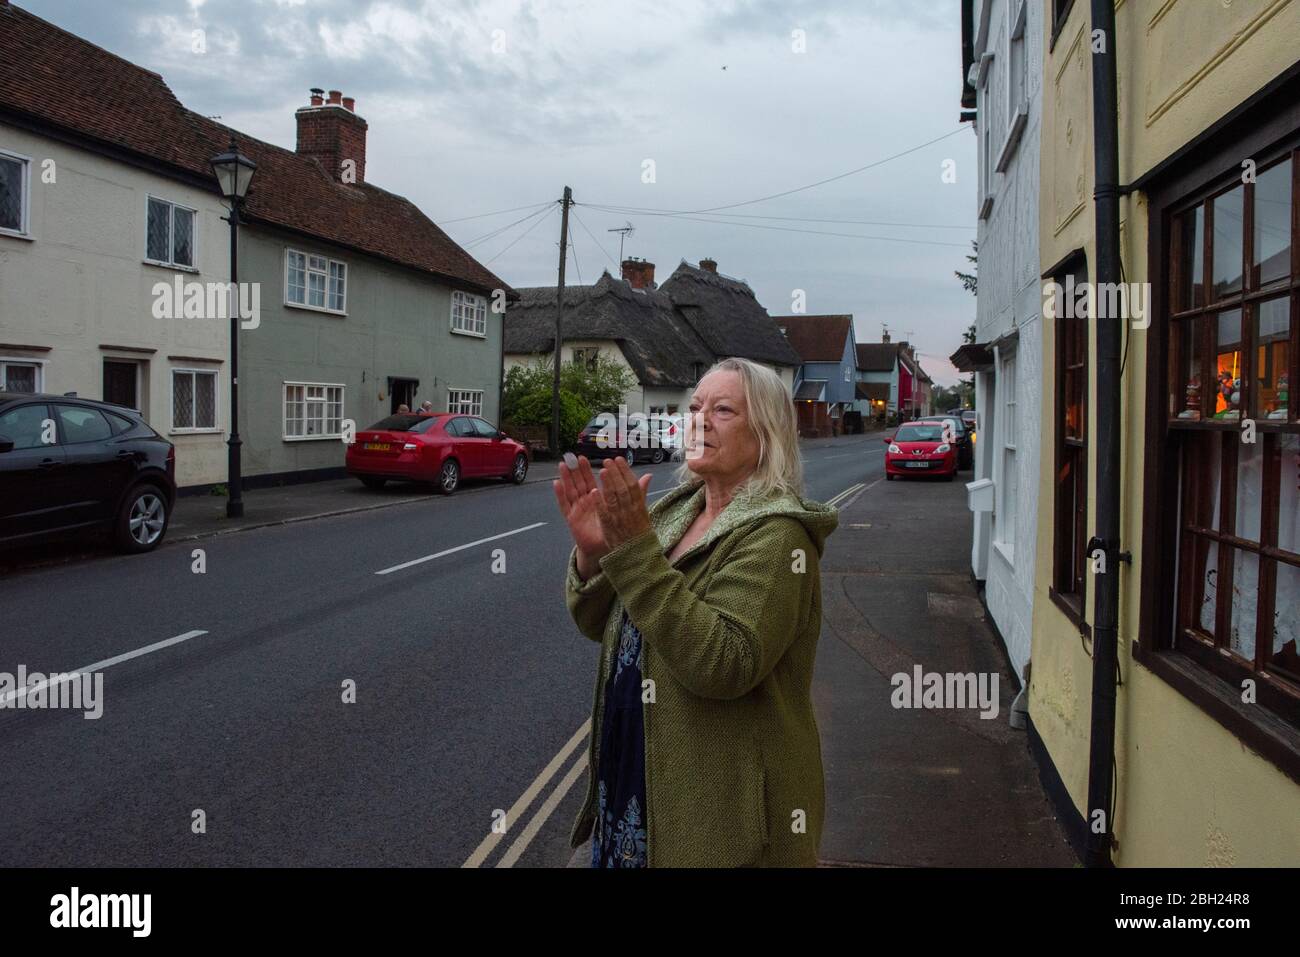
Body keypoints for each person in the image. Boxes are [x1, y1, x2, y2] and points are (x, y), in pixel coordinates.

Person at [553, 357, 838, 868]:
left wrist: (635, 554)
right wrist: (595, 556)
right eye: (695, 406)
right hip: (634, 784)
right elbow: (601, 624)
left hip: (718, 824)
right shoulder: (673, 511)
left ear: (766, 432)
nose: (700, 419)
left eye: (723, 409)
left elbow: (724, 664)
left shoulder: (777, 538)